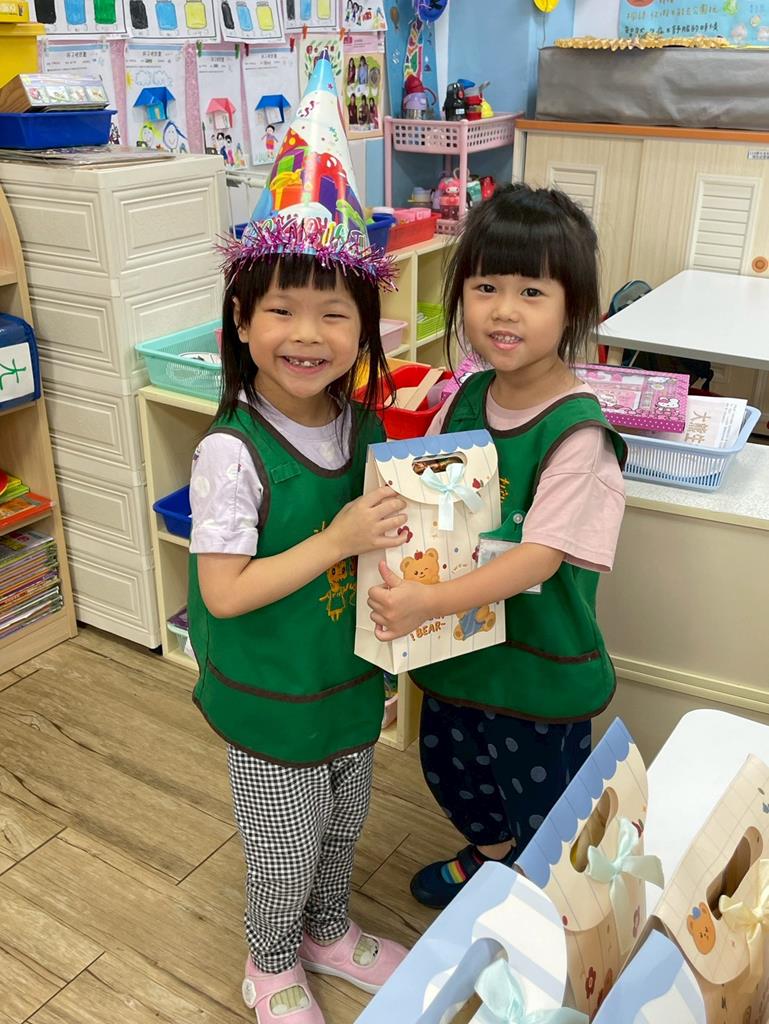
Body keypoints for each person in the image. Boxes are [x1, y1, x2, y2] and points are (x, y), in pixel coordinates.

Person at [188, 53, 407, 1024]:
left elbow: (386, 540)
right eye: (280, 308)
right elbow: (225, 592)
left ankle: (326, 928)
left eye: (333, 311)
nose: (307, 332)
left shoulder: (365, 426)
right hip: (271, 692)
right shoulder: (230, 453)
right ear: (241, 320)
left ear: (363, 329)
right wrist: (339, 538)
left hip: (345, 679)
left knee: (344, 820)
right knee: (282, 842)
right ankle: (270, 960)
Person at [367, 183, 627, 910]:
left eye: (531, 292)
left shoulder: (577, 433)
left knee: (545, 802)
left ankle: (538, 897)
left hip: (535, 666)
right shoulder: (466, 396)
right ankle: (490, 856)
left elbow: (539, 557)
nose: (503, 310)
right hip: (460, 648)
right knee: (453, 770)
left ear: (573, 308)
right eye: (485, 287)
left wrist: (427, 601)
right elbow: (423, 494)